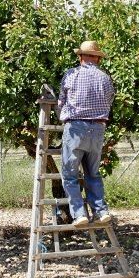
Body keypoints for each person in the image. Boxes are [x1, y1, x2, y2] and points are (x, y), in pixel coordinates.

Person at [58, 40, 115, 227]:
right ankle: (101, 211)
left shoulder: (71, 75)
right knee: (93, 173)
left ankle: (79, 213)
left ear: (80, 56)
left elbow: (61, 102)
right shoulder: (105, 78)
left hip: (75, 127)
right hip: (98, 128)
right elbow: (109, 100)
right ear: (97, 58)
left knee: (70, 174)